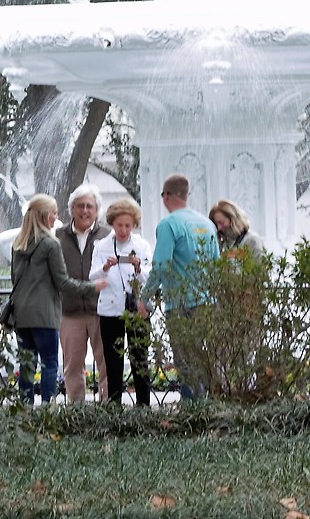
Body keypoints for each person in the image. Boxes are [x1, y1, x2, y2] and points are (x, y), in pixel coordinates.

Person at [8, 193, 102, 402]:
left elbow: (14, 279)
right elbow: (63, 283)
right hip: (44, 313)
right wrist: (92, 287)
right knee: (49, 362)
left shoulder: (18, 243)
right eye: (54, 213)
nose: (56, 218)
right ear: (44, 215)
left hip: (21, 314)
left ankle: (24, 410)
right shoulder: (51, 244)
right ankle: (47, 411)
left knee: (27, 363)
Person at [150, 173, 220, 398]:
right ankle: (208, 405)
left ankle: (192, 411)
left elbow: (161, 264)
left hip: (180, 304)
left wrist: (144, 296)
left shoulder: (169, 224)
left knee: (185, 361)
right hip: (207, 302)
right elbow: (216, 264)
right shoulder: (207, 224)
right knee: (205, 358)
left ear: (166, 196)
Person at [91, 196, 154, 407]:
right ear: (112, 224)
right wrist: (106, 267)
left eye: (128, 225)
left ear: (134, 225)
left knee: (140, 358)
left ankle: (143, 406)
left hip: (136, 308)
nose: (124, 230)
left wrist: (138, 267)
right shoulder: (101, 246)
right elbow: (93, 276)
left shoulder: (142, 245)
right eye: (120, 225)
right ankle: (114, 406)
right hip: (110, 309)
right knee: (113, 360)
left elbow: (150, 276)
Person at [54, 186, 110, 402]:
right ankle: (76, 411)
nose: (85, 211)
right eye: (80, 206)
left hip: (102, 310)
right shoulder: (58, 237)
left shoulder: (107, 235)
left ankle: (109, 410)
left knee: (106, 364)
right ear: (72, 209)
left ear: (96, 210)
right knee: (72, 366)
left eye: (89, 206)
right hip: (69, 312)